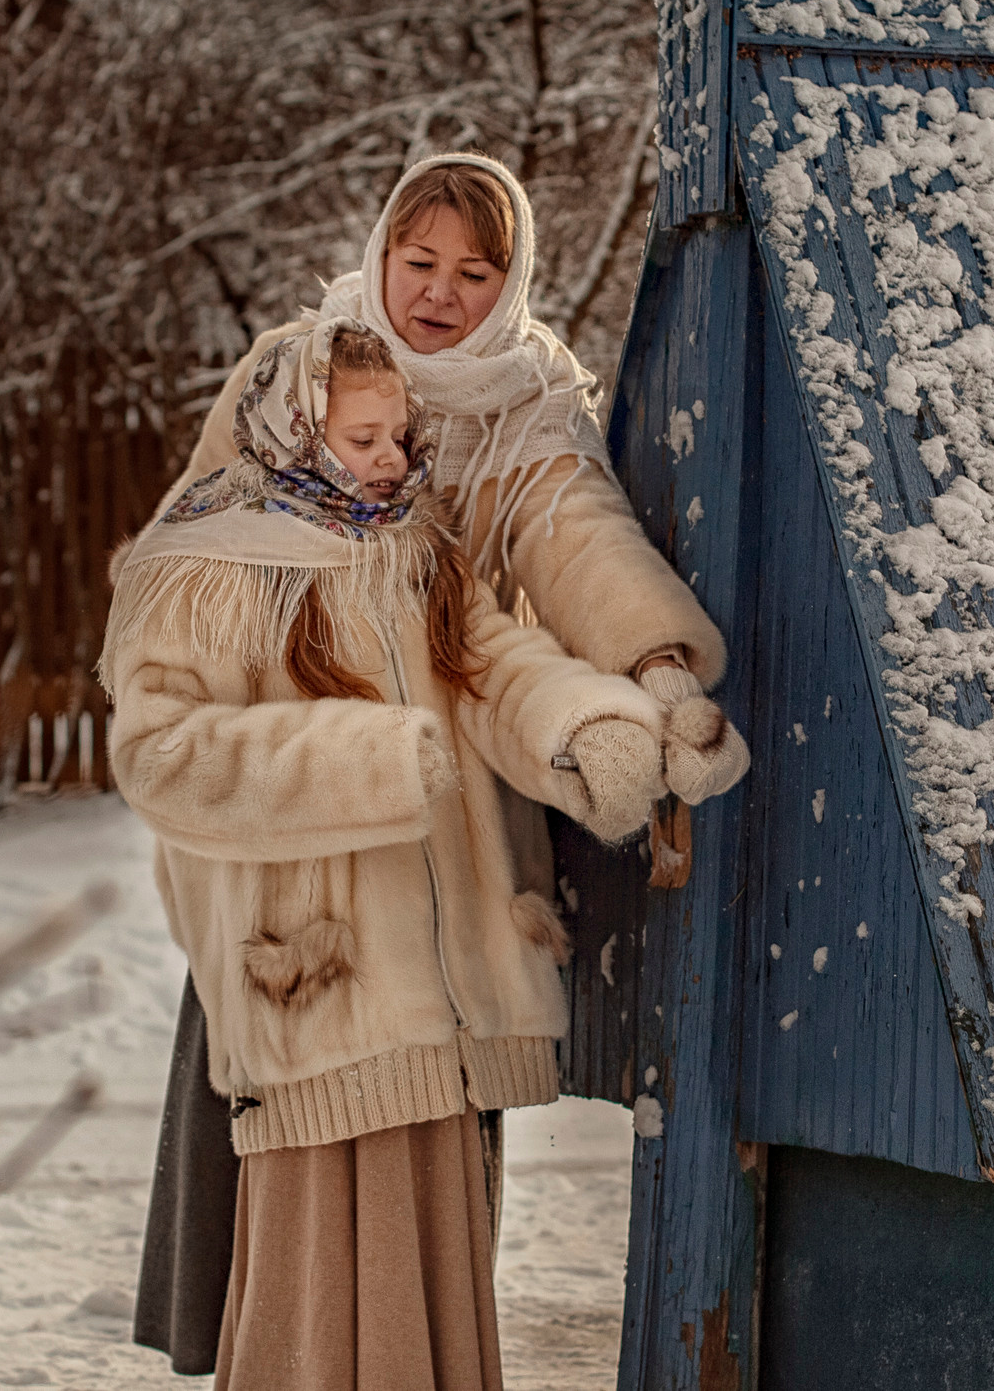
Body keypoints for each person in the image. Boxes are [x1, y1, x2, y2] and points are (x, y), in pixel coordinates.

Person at [131, 154, 750, 1374]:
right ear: (380, 255)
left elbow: (577, 547)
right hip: (301, 824)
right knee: (285, 1109)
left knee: (430, 1137)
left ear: (508, 285)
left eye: (475, 272)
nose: (439, 293)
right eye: (418, 262)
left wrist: (657, 663)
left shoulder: (523, 406)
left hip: (446, 830)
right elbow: (206, 551)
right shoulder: (293, 377)